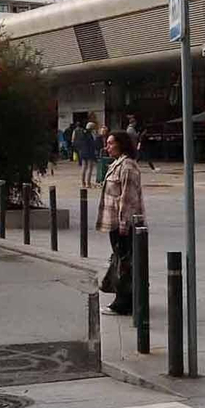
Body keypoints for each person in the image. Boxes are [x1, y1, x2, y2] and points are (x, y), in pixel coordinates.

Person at [96, 130, 145, 314]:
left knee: (124, 263)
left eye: (110, 143)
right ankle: (127, 298)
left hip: (124, 225)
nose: (107, 147)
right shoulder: (117, 164)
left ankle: (123, 303)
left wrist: (124, 224)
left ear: (121, 144)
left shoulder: (127, 167)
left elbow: (128, 198)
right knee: (121, 260)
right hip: (115, 223)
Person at [77, 123, 99, 189]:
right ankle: (88, 183)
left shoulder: (82, 133)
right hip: (89, 152)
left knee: (83, 167)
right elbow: (92, 144)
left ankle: (83, 182)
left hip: (83, 152)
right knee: (90, 167)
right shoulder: (90, 134)